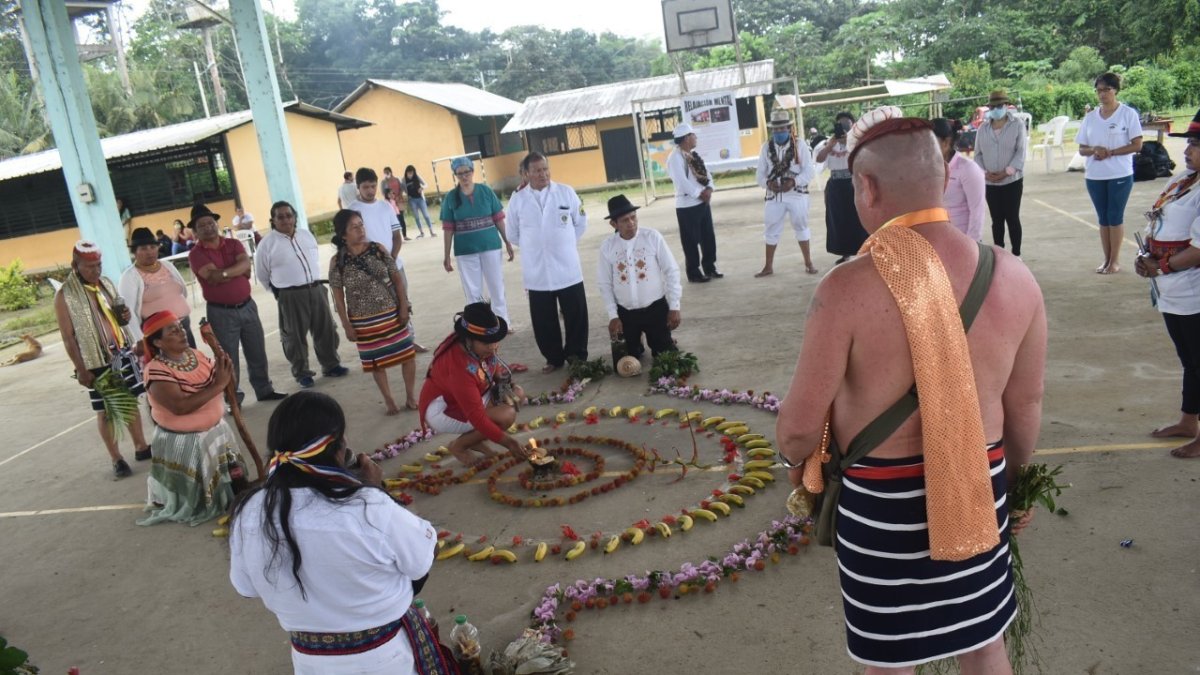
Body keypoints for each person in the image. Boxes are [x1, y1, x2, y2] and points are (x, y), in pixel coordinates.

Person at [776, 107, 1047, 673]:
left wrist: (801, 465)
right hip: (982, 487)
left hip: (882, 508)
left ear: (867, 187)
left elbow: (798, 430)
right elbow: (1024, 407)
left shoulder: (846, 288)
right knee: (983, 642)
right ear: (945, 177)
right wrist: (1011, 488)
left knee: (890, 658)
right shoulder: (1014, 276)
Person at [229, 391, 447, 675]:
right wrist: (375, 490)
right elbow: (422, 559)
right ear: (338, 449)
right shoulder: (368, 505)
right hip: (384, 658)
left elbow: (245, 587)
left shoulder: (249, 510)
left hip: (310, 662)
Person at [137, 311, 244, 526]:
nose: (181, 332)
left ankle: (232, 491)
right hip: (186, 437)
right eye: (173, 331)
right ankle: (199, 500)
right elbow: (180, 407)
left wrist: (225, 369)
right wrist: (219, 385)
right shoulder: (156, 371)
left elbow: (223, 379)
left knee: (239, 481)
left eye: (180, 327)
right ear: (158, 342)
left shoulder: (195, 355)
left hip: (214, 429)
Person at [1133, 112, 1200, 458]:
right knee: (1189, 359)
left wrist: (1161, 266)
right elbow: (1158, 219)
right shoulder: (1183, 181)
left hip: (1193, 291)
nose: (1187, 150)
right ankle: (1189, 421)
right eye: (1188, 142)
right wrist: (1145, 257)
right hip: (1173, 289)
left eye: (1194, 144)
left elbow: (1198, 251)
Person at [54, 240, 151, 478]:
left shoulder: (106, 283)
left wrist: (125, 317)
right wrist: (81, 369)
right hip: (94, 361)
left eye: (98, 265)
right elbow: (68, 337)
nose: (95, 271)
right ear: (75, 266)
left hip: (121, 352)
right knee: (106, 410)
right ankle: (116, 458)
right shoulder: (65, 294)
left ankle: (140, 446)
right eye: (89, 267)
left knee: (129, 399)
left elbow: (121, 317)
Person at [187, 203, 286, 404]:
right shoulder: (196, 254)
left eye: (210, 222)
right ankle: (234, 398)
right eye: (202, 225)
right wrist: (235, 270)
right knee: (228, 358)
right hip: (220, 312)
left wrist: (223, 272)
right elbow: (212, 277)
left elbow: (244, 265)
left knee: (257, 350)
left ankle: (264, 389)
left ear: (216, 223)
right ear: (195, 232)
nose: (208, 227)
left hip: (247, 305)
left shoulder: (233, 244)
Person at [417, 302, 529, 466]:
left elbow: (492, 363)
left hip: (474, 393)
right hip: (445, 409)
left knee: (516, 394)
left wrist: (501, 383)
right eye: (486, 343)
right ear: (469, 340)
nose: (492, 347)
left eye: (495, 341)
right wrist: (510, 443)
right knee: (506, 415)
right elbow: (477, 417)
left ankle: (473, 439)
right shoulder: (458, 367)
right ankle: (459, 447)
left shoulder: (481, 345)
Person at [329, 209, 417, 415]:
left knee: (407, 355)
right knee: (376, 362)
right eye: (354, 227)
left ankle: (411, 396)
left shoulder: (378, 249)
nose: (361, 230)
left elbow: (396, 279)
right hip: (363, 322)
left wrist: (403, 306)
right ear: (343, 234)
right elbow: (338, 297)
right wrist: (346, 325)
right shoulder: (338, 261)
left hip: (392, 314)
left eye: (362, 225)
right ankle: (389, 401)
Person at [507, 152, 589, 373]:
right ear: (526, 174)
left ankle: (577, 355)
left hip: (567, 267)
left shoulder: (566, 192)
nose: (542, 174)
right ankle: (553, 358)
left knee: (576, 314)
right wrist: (536, 245)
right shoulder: (518, 199)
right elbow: (512, 233)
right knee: (544, 320)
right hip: (537, 270)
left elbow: (580, 223)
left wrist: (563, 243)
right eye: (537, 170)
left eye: (545, 169)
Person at [255, 201, 349, 389]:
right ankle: (302, 373)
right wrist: (279, 293)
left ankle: (331, 365)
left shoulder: (306, 236)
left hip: (316, 289)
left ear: (294, 217)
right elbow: (262, 274)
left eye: (289, 215)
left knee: (326, 329)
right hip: (290, 295)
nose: (285, 220)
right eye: (280, 217)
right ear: (272, 220)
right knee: (294, 337)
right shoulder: (267, 244)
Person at [596, 195, 683, 361]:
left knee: (667, 359)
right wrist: (613, 316)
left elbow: (671, 270)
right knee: (626, 364)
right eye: (624, 220)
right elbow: (604, 283)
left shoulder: (652, 237)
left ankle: (663, 338)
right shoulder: (607, 247)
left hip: (655, 309)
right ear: (613, 224)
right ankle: (636, 342)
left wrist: (674, 306)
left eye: (633, 217)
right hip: (626, 313)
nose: (631, 224)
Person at [1077, 72, 1144, 274]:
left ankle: (1115, 261)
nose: (1102, 94)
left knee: (1115, 216)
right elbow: (1082, 148)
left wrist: (1112, 152)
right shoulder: (1090, 118)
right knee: (1103, 218)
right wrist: (1094, 150)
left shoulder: (1128, 114)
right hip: (1095, 176)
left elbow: (1137, 145)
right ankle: (1106, 259)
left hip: (1119, 174)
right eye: (1099, 90)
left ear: (1115, 90)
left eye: (1106, 89)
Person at [440, 156, 515, 324]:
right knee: (473, 290)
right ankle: (479, 325)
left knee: (496, 285)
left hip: (490, 246)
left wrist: (507, 242)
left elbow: (498, 219)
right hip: (465, 251)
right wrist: (446, 255)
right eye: (460, 174)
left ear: (472, 172)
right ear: (456, 176)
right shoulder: (451, 197)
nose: (464, 177)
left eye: (466, 172)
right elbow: (448, 229)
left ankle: (503, 322)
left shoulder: (486, 191)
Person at [755, 110, 818, 277]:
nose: (778, 132)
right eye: (775, 129)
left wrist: (794, 182)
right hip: (774, 196)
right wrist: (768, 183)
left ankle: (808, 263)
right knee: (771, 229)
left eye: (782, 129)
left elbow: (809, 171)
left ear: (789, 128)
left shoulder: (800, 145)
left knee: (801, 227)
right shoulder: (766, 148)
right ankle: (768, 266)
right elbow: (759, 174)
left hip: (796, 194)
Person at [119, 227, 196, 349]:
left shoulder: (167, 265)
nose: (149, 252)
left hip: (183, 325)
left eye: (153, 247)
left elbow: (182, 291)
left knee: (193, 363)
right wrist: (139, 340)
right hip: (160, 335)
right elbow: (129, 312)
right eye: (143, 248)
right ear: (134, 252)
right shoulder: (129, 277)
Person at [975, 89, 1027, 258]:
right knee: (996, 220)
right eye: (993, 106)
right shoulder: (983, 128)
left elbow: (1021, 152)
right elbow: (978, 154)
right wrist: (985, 173)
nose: (996, 109)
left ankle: (1016, 254)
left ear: (1006, 105)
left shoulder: (1017, 125)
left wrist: (1006, 172)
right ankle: (1000, 254)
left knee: (1012, 218)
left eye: (999, 105)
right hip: (990, 182)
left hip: (1012, 181)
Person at [667, 123, 722, 282]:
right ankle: (694, 273)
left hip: (702, 203)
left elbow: (707, 174)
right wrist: (700, 193)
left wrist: (709, 189)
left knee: (708, 237)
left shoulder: (693, 154)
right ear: (686, 138)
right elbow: (681, 182)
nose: (695, 138)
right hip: (687, 206)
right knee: (690, 241)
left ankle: (710, 268)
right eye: (693, 135)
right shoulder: (675, 158)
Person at [816, 111, 868, 263]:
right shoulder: (828, 142)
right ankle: (845, 252)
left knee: (858, 218)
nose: (844, 127)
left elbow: (863, 156)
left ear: (853, 125)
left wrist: (848, 143)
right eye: (841, 124)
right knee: (838, 219)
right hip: (836, 184)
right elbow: (819, 159)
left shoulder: (858, 141)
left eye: (847, 123)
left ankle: (863, 250)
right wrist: (830, 145)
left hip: (853, 183)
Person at [933, 118, 987, 241]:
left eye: (930, 143)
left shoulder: (968, 169)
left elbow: (977, 211)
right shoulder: (931, 169)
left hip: (963, 240)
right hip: (941, 239)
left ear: (946, 142)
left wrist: (972, 244)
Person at [350, 167, 404, 260]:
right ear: (358, 187)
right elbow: (352, 242)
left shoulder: (386, 206)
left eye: (373, 186)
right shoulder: (352, 210)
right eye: (366, 187)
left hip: (394, 264)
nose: (370, 191)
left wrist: (393, 258)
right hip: (370, 268)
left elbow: (396, 235)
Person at [403, 165, 435, 238]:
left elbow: (425, 184)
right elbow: (403, 188)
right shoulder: (404, 180)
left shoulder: (417, 177)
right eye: (409, 173)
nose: (410, 175)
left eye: (412, 173)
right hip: (412, 200)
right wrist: (407, 195)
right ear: (406, 173)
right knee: (416, 217)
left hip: (420, 199)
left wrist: (422, 188)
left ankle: (431, 231)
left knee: (426, 215)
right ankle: (421, 232)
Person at [382, 166, 411, 241]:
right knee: (393, 220)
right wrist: (391, 197)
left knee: (401, 219)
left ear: (391, 172)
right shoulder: (383, 182)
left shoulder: (396, 179)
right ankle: (395, 238)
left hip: (399, 201)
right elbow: (383, 192)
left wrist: (398, 196)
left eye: (387, 172)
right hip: (390, 202)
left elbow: (401, 188)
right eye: (385, 173)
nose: (386, 174)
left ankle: (404, 235)